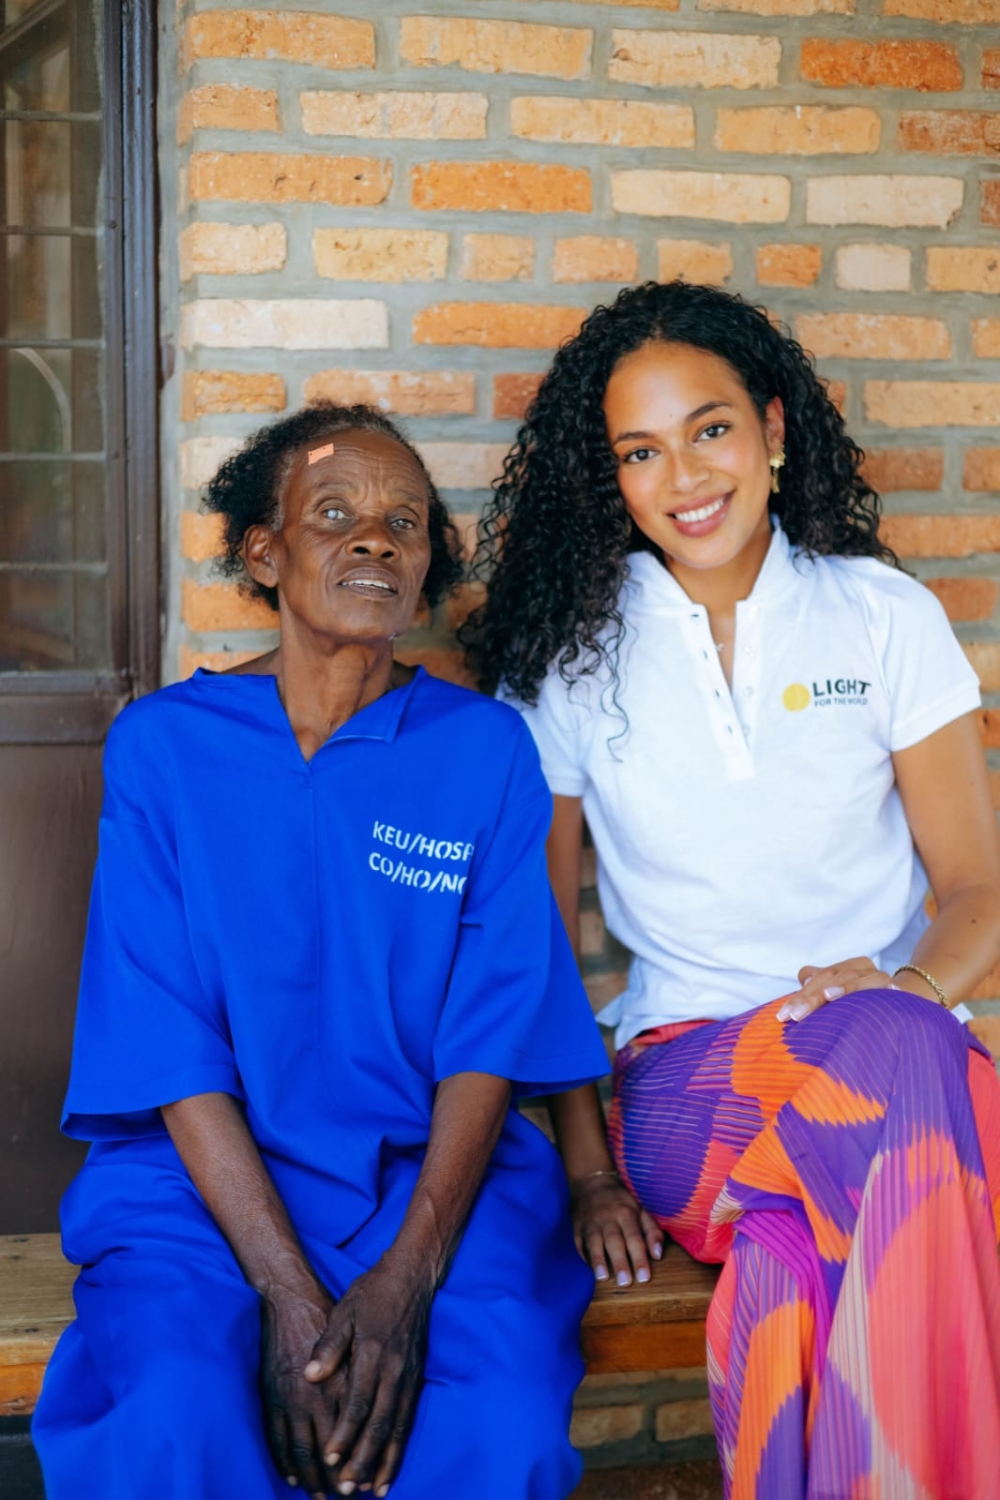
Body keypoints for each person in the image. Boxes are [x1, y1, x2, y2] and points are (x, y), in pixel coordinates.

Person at [463, 281, 1000, 1499]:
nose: (683, 477)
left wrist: (900, 987)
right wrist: (589, 1167)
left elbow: (979, 889)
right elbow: (542, 947)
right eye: (639, 453)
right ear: (614, 481)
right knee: (937, 1098)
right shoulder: (569, 659)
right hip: (689, 1087)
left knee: (790, 1267)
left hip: (892, 1067)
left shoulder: (882, 618)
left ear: (771, 428)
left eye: (708, 429)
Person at [33, 403, 609, 1500]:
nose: (374, 540)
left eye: (404, 523)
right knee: (174, 1416)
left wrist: (407, 1279)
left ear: (428, 562)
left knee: (498, 1426)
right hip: (201, 1188)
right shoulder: (165, 749)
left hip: (430, 1181)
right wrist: (285, 1288)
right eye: (334, 513)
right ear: (264, 550)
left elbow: (493, 1032)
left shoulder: (483, 752)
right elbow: (165, 1043)